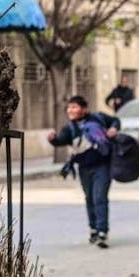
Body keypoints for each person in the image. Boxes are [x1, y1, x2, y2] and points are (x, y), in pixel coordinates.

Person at [47, 96, 121, 249]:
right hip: (84, 168)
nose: (70, 110)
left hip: (102, 166)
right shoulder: (70, 128)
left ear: (84, 108)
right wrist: (53, 139)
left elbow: (115, 120)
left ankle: (102, 232)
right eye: (69, 107)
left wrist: (113, 128)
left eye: (74, 107)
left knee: (99, 197)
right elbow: (61, 140)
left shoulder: (99, 118)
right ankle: (93, 229)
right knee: (89, 198)